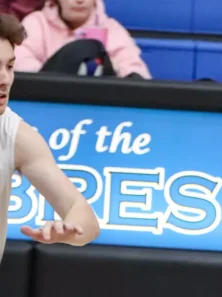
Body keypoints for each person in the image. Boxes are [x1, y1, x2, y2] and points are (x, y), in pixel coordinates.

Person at [0, 14, 99, 251]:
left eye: (10, 66)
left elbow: (86, 219)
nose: (4, 79)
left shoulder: (16, 135)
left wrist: (69, 230)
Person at [14, 0, 150, 79]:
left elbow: (137, 72)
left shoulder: (111, 28)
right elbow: (19, 62)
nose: (79, 0)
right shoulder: (36, 22)